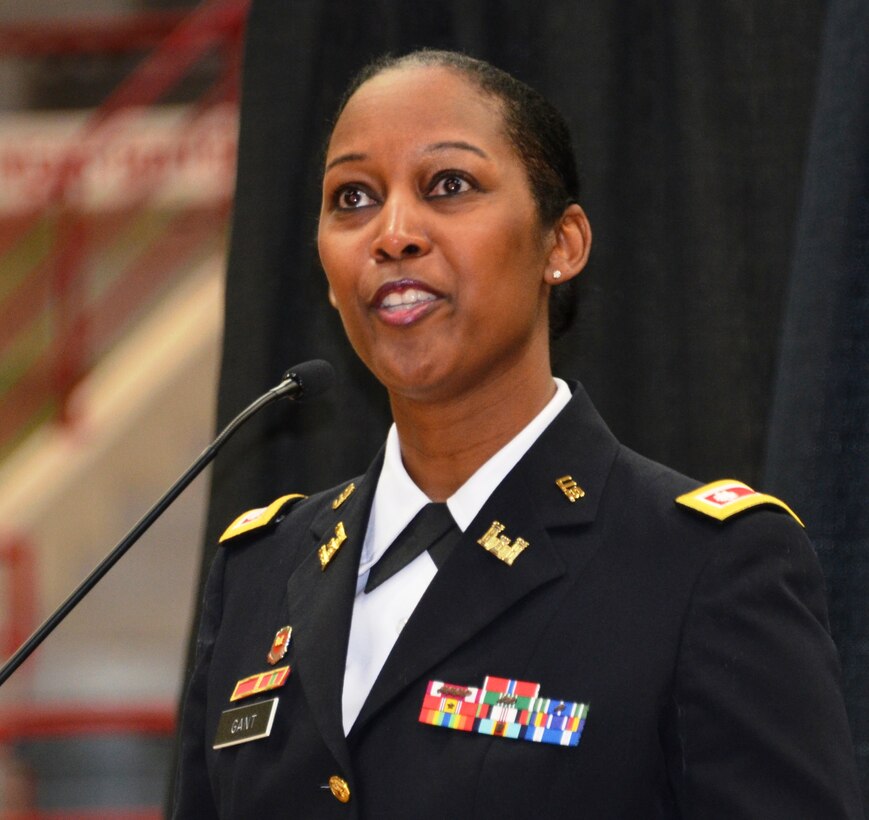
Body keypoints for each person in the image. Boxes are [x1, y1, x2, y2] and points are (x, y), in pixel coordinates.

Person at [173, 50, 863, 818]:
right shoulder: (259, 572)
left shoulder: (704, 565)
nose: (392, 232)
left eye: (449, 186)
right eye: (353, 197)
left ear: (560, 244)